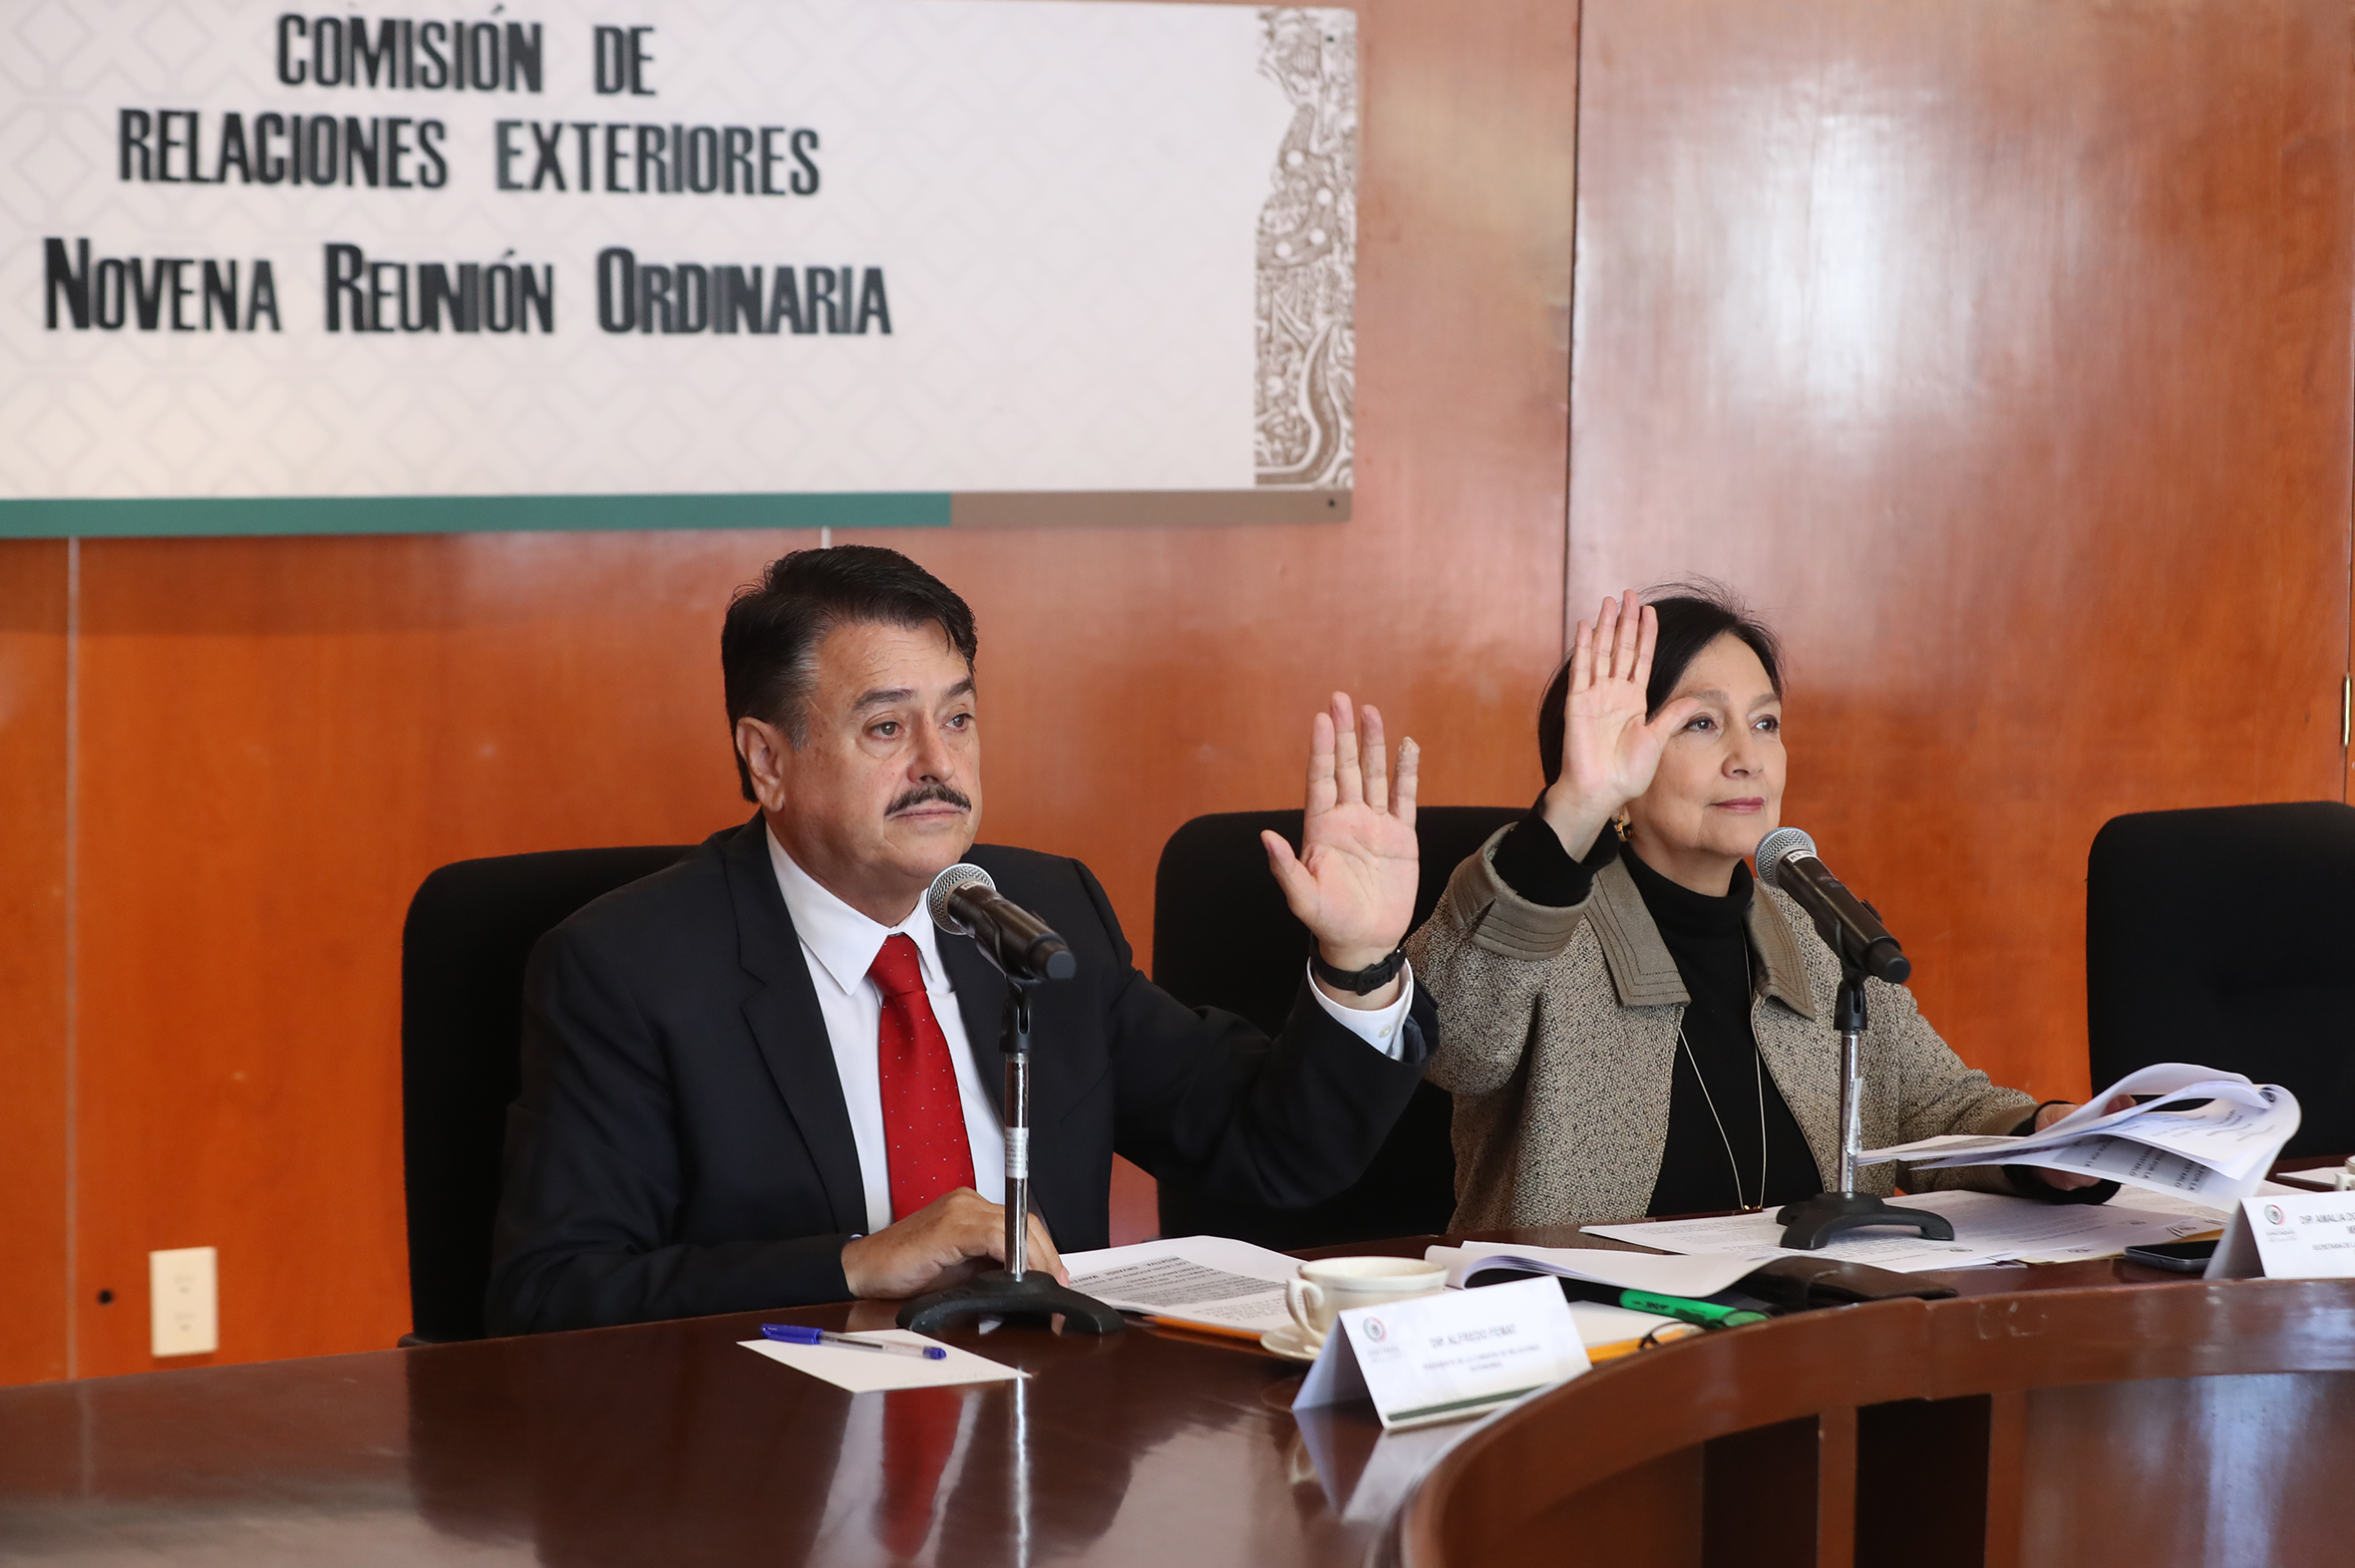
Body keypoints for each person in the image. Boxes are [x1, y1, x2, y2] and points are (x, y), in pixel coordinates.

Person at [488, 545, 1435, 1333]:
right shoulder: (629, 968)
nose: (938, 764)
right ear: (767, 760)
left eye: (958, 717)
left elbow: (1269, 1146)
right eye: (886, 727)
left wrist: (1358, 960)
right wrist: (855, 1262)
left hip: (1050, 1437)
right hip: (784, 1457)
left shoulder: (1035, 913)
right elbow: (551, 1294)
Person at [1406, 584, 2118, 1228]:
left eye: (1766, 723)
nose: (1748, 757)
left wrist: (2051, 1139)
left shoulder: (1817, 931)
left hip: (1808, 1315)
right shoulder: (1534, 924)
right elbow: (1451, 1047)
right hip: (1592, 1322)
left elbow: (1935, 1109)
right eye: (1701, 724)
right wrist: (1571, 811)